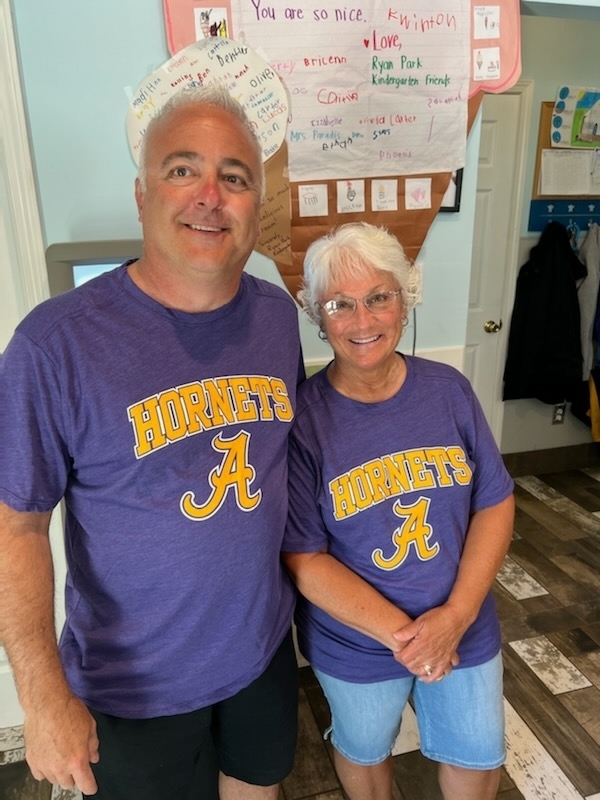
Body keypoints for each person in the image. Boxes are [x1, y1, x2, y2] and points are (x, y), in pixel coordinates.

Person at [0, 85, 304, 800]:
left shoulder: (276, 319)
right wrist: (42, 700)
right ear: (142, 195)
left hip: (261, 656)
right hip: (131, 690)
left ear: (255, 204)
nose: (210, 195)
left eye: (234, 177)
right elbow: (16, 526)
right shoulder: (54, 346)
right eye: (182, 169)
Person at [282, 222, 515, 800]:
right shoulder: (302, 421)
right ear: (317, 314)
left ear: (405, 300)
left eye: (379, 297)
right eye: (340, 304)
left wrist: (455, 618)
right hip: (357, 641)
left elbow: (494, 500)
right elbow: (304, 558)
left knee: (477, 753)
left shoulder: (450, 392)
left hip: (464, 621)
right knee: (364, 750)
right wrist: (411, 639)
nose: (363, 322)